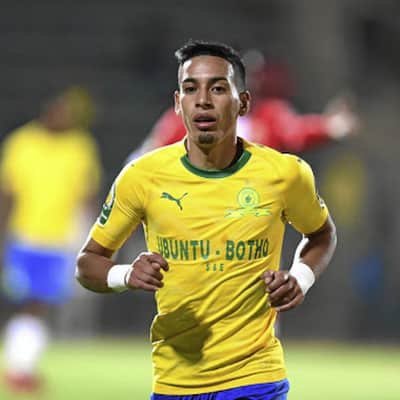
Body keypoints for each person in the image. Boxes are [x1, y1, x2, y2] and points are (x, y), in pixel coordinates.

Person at [76, 40, 337, 400]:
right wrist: (125, 275)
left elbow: (321, 234)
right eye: (190, 89)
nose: (202, 100)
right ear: (177, 103)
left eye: (217, 88)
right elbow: (87, 263)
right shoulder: (141, 177)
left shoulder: (285, 174)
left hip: (256, 378)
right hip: (174, 382)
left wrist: (300, 278)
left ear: (243, 102)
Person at [0, 87, 102, 393]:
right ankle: (19, 369)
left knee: (36, 303)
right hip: (26, 236)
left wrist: (91, 236)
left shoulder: (79, 146)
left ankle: (21, 367)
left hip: (60, 240)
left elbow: (87, 195)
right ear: (51, 109)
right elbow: (7, 193)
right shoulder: (23, 142)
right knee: (32, 302)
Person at [126, 51, 358, 162]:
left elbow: (295, 131)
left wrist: (328, 127)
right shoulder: (192, 114)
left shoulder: (268, 115)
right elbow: (150, 152)